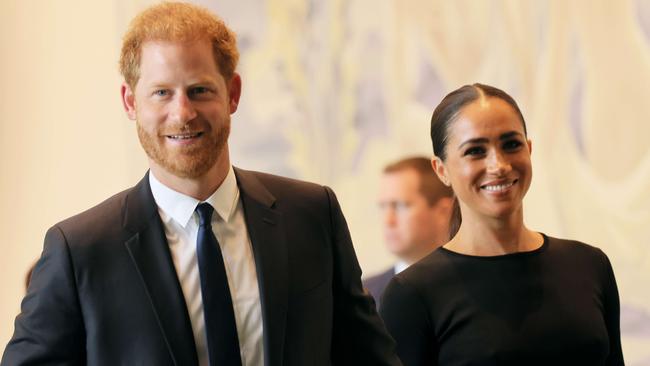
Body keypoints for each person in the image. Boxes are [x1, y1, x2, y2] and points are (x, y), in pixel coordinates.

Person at [1, 3, 401, 366]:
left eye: (200, 90)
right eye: (161, 93)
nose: (183, 113)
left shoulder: (312, 214)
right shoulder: (80, 250)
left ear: (233, 94)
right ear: (130, 103)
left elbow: (368, 356)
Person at [380, 83, 624, 365]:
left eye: (511, 145)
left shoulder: (589, 265)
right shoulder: (412, 293)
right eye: (475, 151)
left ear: (529, 149)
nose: (498, 165)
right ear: (442, 170)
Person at [364, 157, 452, 308]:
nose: (388, 221)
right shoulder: (363, 296)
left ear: (443, 212)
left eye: (399, 206)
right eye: (383, 207)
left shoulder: (474, 285)